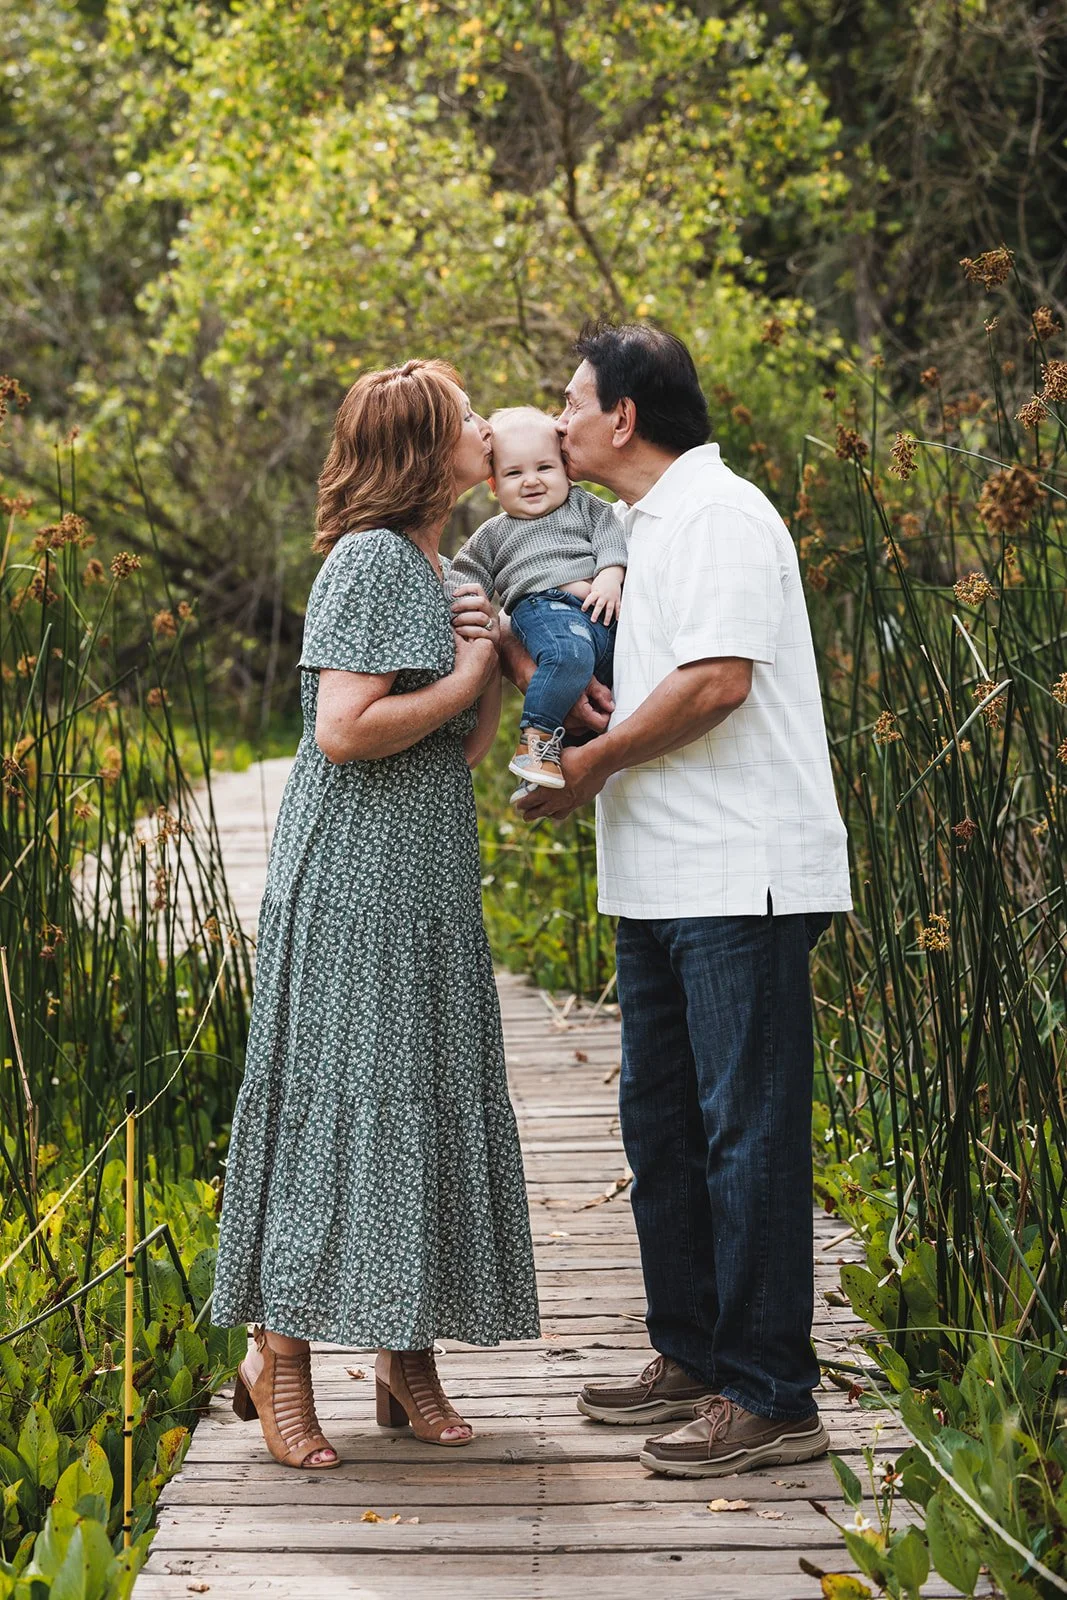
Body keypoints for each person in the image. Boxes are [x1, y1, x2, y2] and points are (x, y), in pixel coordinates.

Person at [506, 322, 852, 1479]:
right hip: (660, 874)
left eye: (569, 401)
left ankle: (770, 1394)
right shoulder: (644, 529)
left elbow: (715, 683)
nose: (555, 421)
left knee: (742, 1133)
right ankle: (694, 1354)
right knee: (660, 1127)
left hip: (735, 874)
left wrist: (591, 765)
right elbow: (663, 679)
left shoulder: (716, 514)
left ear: (622, 417)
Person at [212, 359, 540, 1470]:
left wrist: (482, 662)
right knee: (333, 1098)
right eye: (465, 415)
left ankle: (406, 1358)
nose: (486, 425)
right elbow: (346, 729)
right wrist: (469, 667)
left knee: (420, 1090)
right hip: (352, 874)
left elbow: (467, 742)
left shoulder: (434, 561)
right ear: (421, 449)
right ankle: (280, 1358)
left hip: (428, 872)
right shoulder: (364, 561)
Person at [448, 406, 626, 794]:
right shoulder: (495, 533)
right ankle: (535, 741)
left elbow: (610, 535)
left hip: (599, 615)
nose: (531, 481)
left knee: (606, 690)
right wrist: (472, 611)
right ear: (493, 485)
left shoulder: (585, 506)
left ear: (564, 468)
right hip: (543, 608)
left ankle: (553, 767)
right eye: (514, 473)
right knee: (567, 657)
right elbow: (463, 575)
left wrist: (611, 574)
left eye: (544, 468)